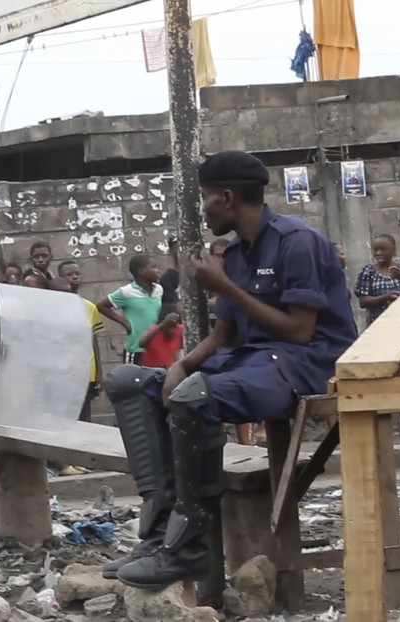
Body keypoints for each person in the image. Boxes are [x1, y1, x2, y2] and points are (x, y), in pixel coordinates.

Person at [104, 150, 356, 590]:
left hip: (307, 361)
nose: (202, 210)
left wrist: (226, 288)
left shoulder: (297, 241)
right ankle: (161, 533)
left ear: (227, 197)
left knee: (193, 396)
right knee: (133, 383)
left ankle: (189, 547)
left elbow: (299, 331)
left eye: (204, 199)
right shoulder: (237, 252)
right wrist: (181, 365)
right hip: (256, 359)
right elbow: (223, 337)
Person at [54, 265, 105, 423]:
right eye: (69, 274)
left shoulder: (89, 307)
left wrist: (99, 372)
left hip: (85, 371)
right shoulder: (52, 308)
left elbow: (94, 340)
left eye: (77, 273)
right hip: (62, 372)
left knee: (85, 414)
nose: (75, 277)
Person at [96, 255, 163, 365]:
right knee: (133, 379)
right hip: (136, 348)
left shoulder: (159, 290)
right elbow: (101, 306)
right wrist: (124, 322)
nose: (158, 271)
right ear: (141, 271)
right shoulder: (126, 292)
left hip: (155, 347)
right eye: (154, 267)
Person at [354, 234, 400, 326]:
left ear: (393, 250)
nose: (378, 253)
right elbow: (363, 302)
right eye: (376, 250)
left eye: (382, 249)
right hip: (378, 324)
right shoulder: (368, 271)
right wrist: (385, 297)